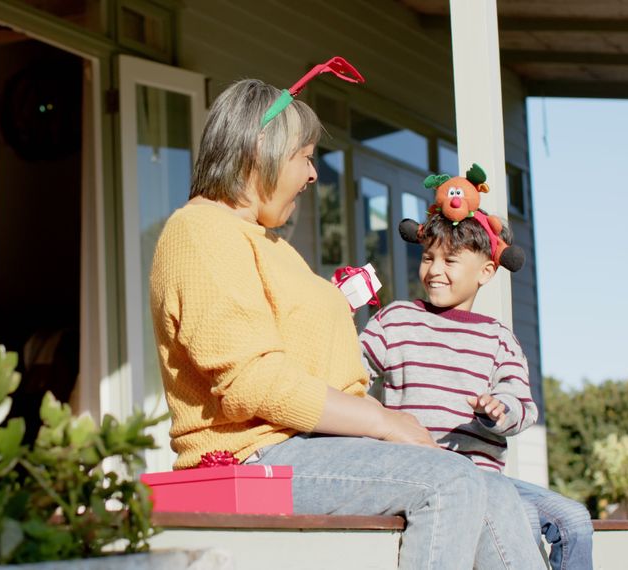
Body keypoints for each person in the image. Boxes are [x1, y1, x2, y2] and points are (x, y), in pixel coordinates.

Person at [148, 59, 544, 570]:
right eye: (306, 158)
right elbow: (252, 382)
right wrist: (385, 421)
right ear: (259, 154)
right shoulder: (200, 232)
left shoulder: (269, 244)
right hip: (256, 454)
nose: (314, 173)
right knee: (450, 480)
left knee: (498, 494)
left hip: (311, 447)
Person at [360, 208, 594, 569]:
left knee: (575, 520)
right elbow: (351, 372)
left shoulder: (498, 338)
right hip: (424, 473)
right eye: (428, 257)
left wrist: (499, 410)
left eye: (450, 260)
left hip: (485, 476)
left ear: (486, 271)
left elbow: (521, 403)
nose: (435, 270)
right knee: (525, 521)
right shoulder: (397, 319)